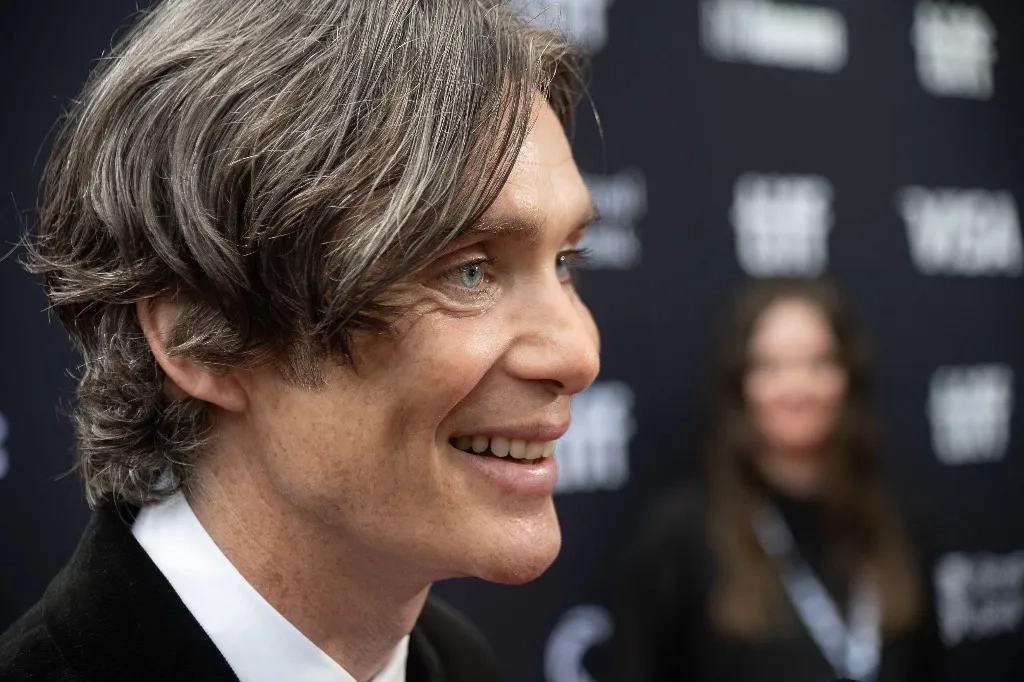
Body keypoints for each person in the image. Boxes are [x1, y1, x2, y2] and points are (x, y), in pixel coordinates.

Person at [0, 1, 601, 680]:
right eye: (469, 271)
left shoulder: (460, 663)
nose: (579, 354)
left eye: (565, 262)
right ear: (202, 333)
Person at [612, 278, 950, 682]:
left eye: (819, 363)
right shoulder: (678, 540)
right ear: (741, 384)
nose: (797, 387)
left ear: (849, 378)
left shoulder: (902, 528)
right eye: (771, 367)